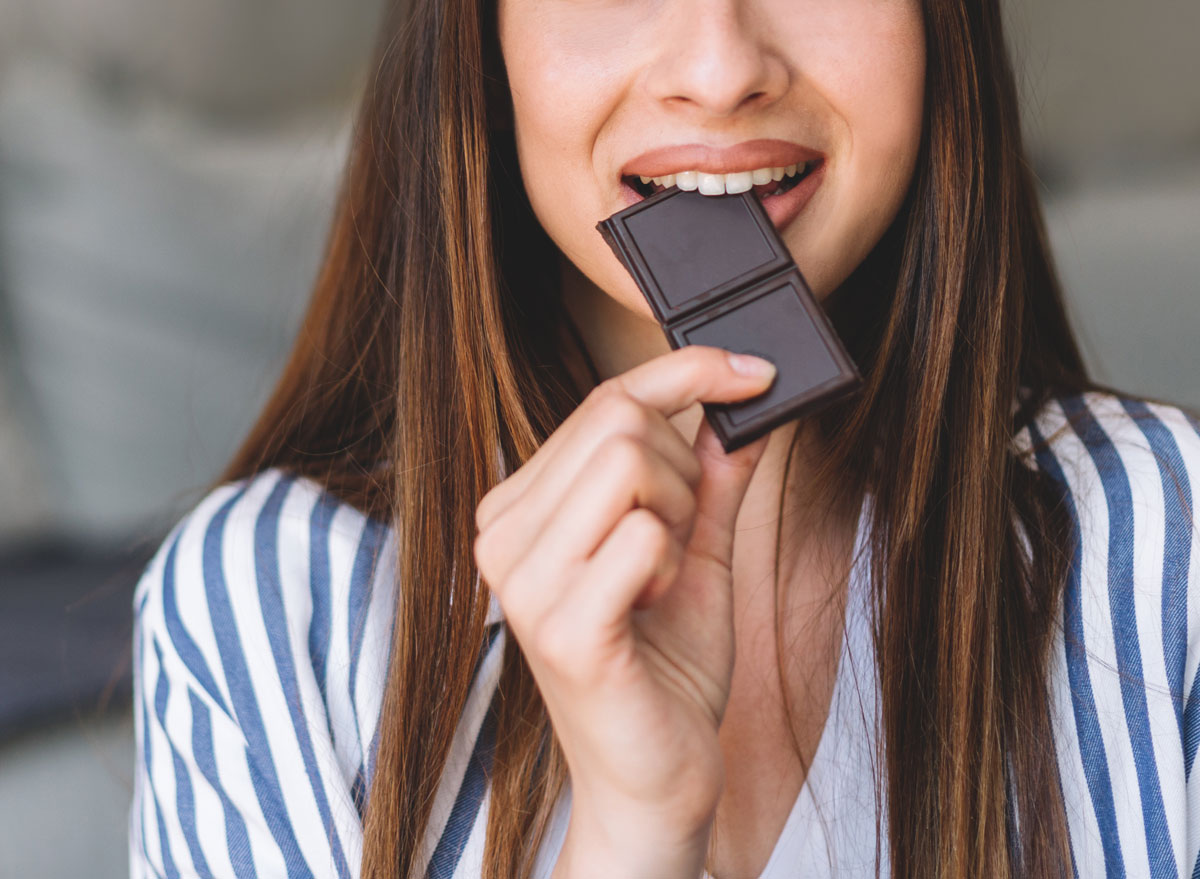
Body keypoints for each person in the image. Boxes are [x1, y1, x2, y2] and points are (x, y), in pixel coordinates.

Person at [127, 0, 1200, 876]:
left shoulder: (1168, 535)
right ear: (477, 36)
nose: (720, 66)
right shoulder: (265, 615)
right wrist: (633, 839)